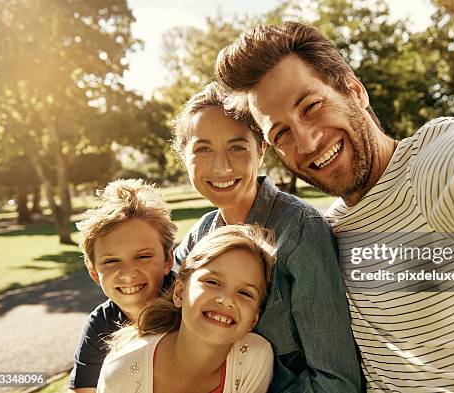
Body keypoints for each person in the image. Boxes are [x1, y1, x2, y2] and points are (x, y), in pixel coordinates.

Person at [216, 21, 454, 392]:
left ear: (354, 90)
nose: (307, 140)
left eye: (311, 106)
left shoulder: (432, 162)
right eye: (281, 133)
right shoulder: (325, 231)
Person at [172, 82, 362, 392]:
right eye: (203, 148)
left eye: (237, 147)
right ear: (184, 156)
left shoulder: (300, 230)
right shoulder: (199, 237)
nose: (221, 166)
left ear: (261, 151)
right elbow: (155, 311)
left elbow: (337, 383)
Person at [97, 224, 276, 393]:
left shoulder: (254, 357)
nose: (226, 299)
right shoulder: (121, 370)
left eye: (245, 293)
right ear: (180, 292)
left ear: (254, 318)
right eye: (212, 282)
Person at [69, 179, 177, 393]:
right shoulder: (100, 325)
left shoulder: (192, 305)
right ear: (93, 271)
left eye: (143, 256)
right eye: (111, 261)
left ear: (168, 260)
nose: (128, 273)